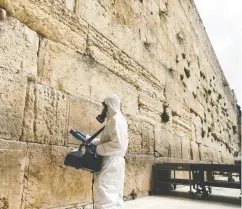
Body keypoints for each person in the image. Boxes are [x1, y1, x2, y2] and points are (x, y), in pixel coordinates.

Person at [90, 94, 129, 209]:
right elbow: (110, 140)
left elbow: (117, 144)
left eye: (105, 107)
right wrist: (92, 140)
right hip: (118, 162)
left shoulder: (114, 120)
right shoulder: (121, 119)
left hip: (110, 161)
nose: (104, 110)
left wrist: (98, 149)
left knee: (104, 193)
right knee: (115, 195)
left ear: (110, 105)